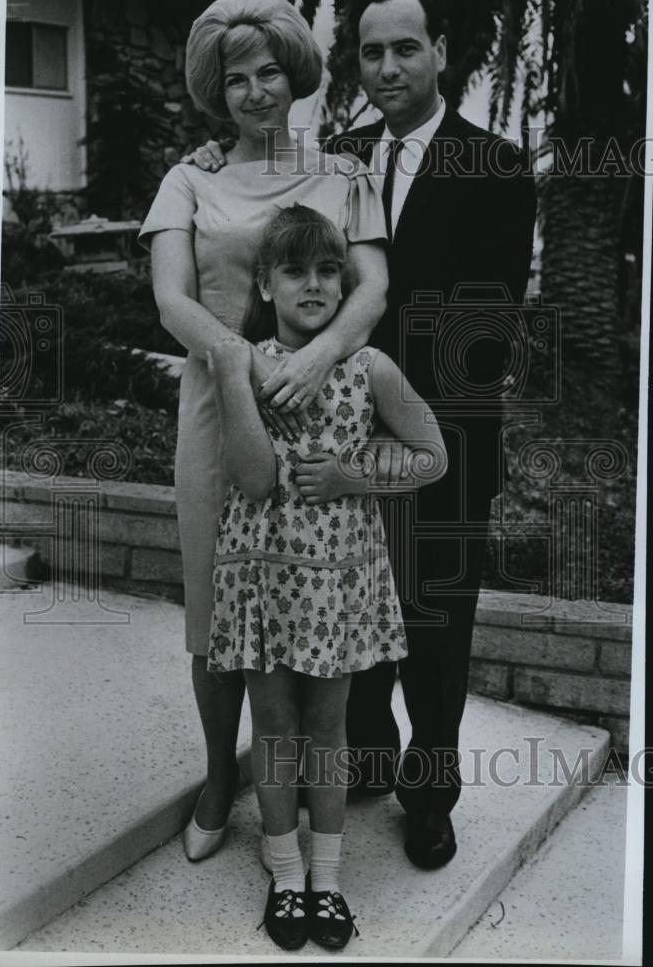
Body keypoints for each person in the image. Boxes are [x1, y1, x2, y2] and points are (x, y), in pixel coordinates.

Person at [183, 0, 537, 872]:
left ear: (439, 53)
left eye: (404, 49)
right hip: (324, 436)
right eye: (370, 53)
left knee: (435, 622)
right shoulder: (334, 158)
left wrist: (371, 384)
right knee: (350, 607)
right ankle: (368, 759)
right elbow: (275, 230)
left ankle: (431, 796)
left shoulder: (492, 165)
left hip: (433, 427)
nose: (386, 67)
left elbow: (482, 325)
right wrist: (215, 155)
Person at [138, 0, 390, 867]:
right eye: (236, 78)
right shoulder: (191, 177)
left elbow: (370, 290)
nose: (254, 92)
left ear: (296, 76)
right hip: (219, 410)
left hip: (320, 413)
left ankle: (303, 812)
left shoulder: (345, 175)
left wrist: (315, 361)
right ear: (217, 88)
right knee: (215, 608)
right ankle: (218, 776)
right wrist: (237, 357)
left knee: (306, 598)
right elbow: (171, 298)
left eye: (269, 72)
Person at [208, 202, 447, 950]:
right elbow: (249, 478)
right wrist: (232, 373)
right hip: (261, 576)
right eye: (293, 270)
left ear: (345, 282)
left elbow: (432, 456)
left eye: (326, 270)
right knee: (274, 727)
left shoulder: (368, 367)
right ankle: (284, 874)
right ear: (266, 284)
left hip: (338, 579)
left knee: (327, 728)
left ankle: (328, 881)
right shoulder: (245, 358)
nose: (312, 284)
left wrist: (352, 476)